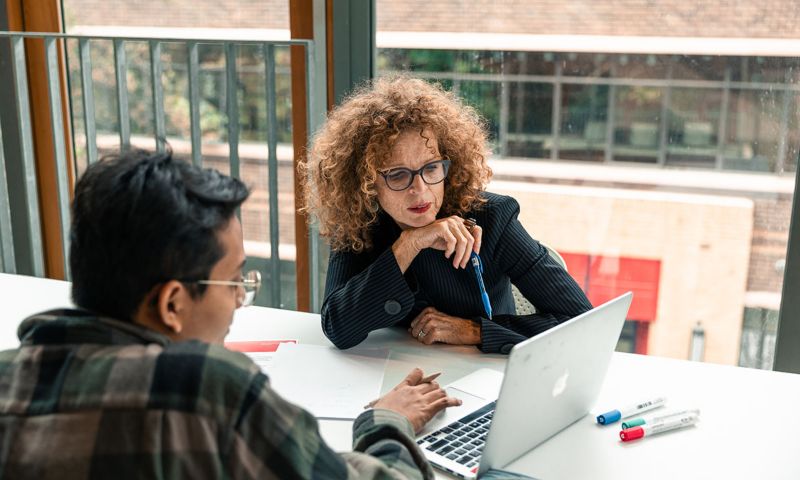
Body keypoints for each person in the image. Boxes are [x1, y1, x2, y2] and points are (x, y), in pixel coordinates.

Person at [0, 148, 461, 479]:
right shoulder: (208, 389)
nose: (240, 298)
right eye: (235, 281)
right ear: (172, 304)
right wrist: (385, 422)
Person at [302, 76, 593, 354]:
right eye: (398, 175)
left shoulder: (493, 219)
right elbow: (337, 327)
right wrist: (409, 244)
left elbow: (581, 322)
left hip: (488, 378)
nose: (420, 190)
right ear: (366, 182)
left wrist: (474, 331)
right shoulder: (360, 224)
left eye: (431, 169)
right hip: (403, 378)